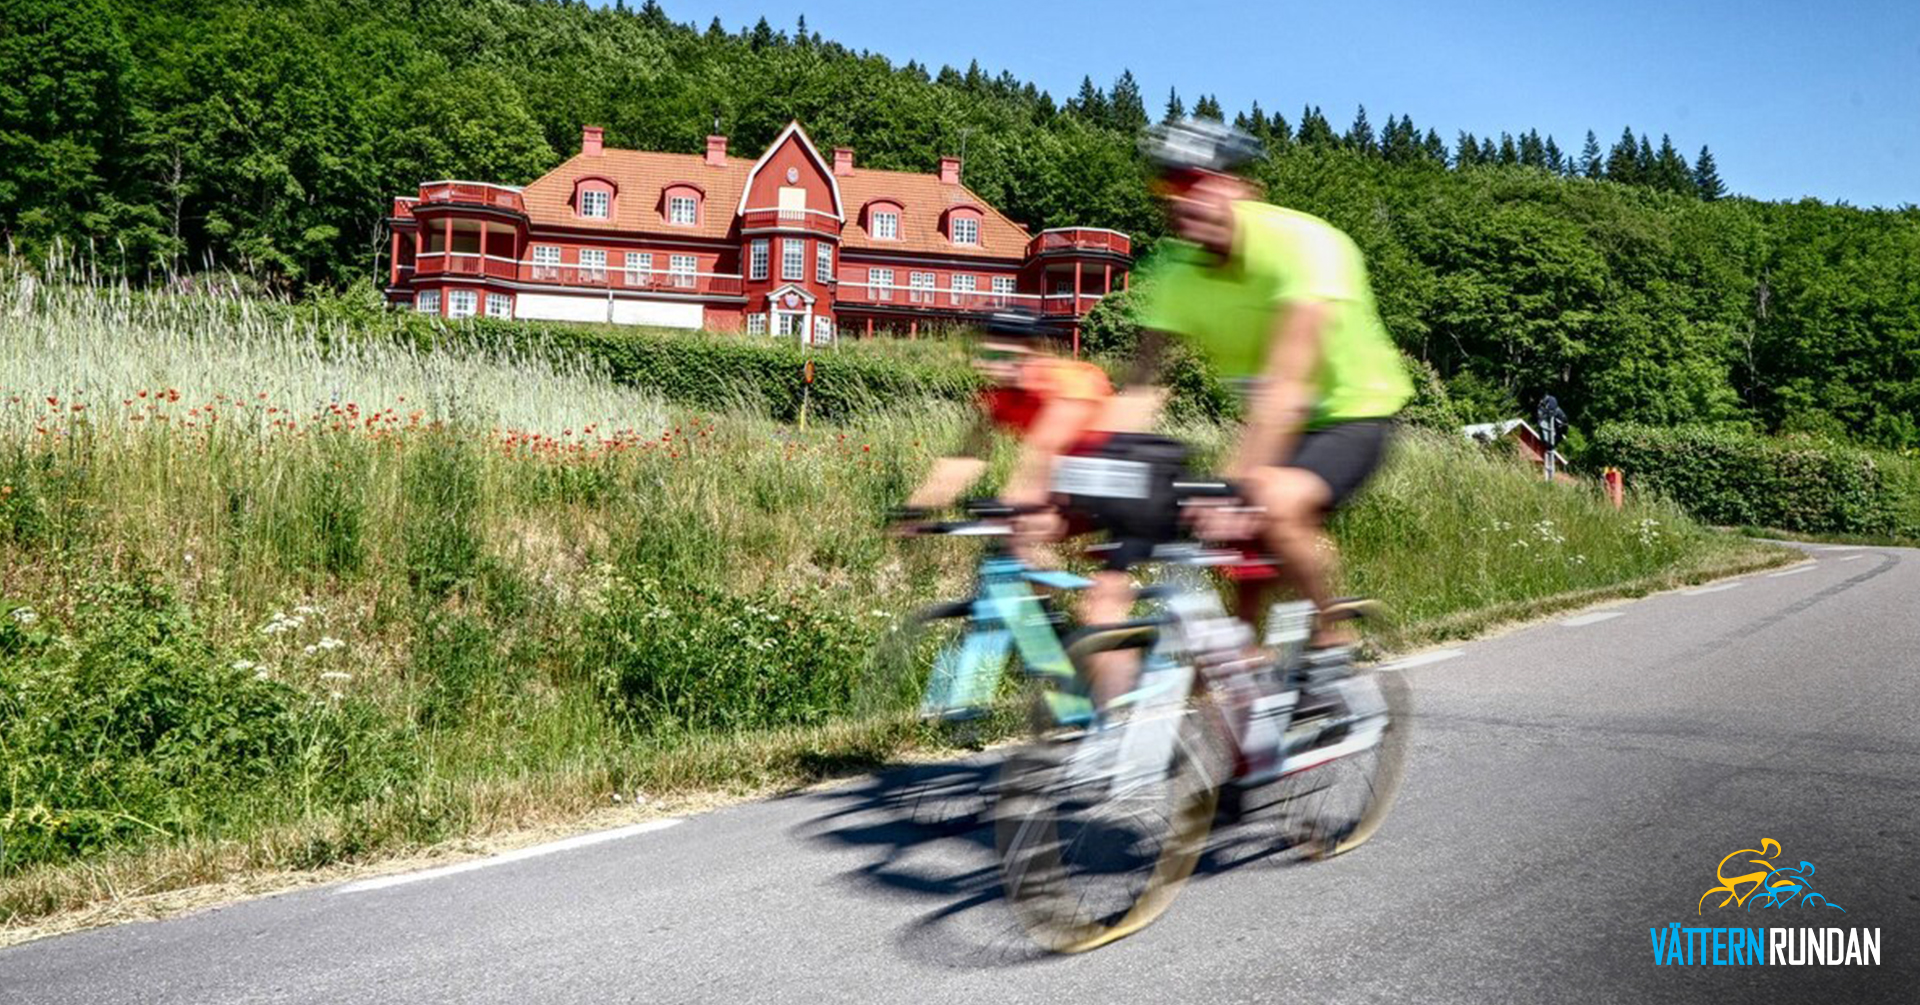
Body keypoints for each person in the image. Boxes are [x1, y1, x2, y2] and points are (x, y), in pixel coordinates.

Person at [1136, 118, 1414, 661]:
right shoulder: (1172, 270)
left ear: (1243, 188)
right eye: (1167, 185)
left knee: (1271, 499)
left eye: (1196, 182)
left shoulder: (1305, 244)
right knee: (1229, 585)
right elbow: (1140, 386)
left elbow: (1287, 384)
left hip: (1351, 413)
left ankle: (1332, 634)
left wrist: (1234, 484)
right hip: (1271, 422)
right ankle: (1245, 671)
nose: (1180, 198)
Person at [900, 311, 1179, 709]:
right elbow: (966, 458)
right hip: (1077, 493)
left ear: (1030, 352)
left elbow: (1045, 449)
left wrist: (1014, 502)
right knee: (1019, 559)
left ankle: (1119, 704)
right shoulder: (1001, 396)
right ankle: (1067, 667)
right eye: (983, 354)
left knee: (1097, 603)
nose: (987, 364)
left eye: (999, 355)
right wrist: (915, 508)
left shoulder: (1069, 382)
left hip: (1127, 493)